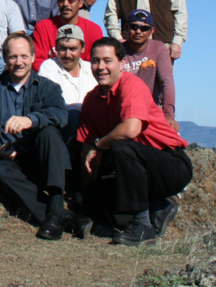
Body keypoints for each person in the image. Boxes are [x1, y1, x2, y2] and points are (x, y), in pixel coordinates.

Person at [0, 33, 91, 241]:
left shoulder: (47, 87)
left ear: (33, 56)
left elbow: (60, 114)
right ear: (4, 57)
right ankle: (62, 216)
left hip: (41, 159)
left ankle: (56, 202)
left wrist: (32, 120)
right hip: (9, 158)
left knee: (49, 132)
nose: (18, 62)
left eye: (24, 56)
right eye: (12, 57)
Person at [78, 38, 193, 246]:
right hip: (136, 172)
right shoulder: (91, 100)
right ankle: (158, 207)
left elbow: (130, 130)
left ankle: (142, 226)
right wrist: (89, 193)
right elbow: (86, 146)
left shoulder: (131, 84)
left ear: (122, 64)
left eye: (107, 60)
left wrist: (100, 144)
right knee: (83, 200)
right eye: (95, 61)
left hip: (170, 164)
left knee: (122, 146)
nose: (101, 67)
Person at [36, 24, 97, 145]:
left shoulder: (91, 69)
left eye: (73, 49)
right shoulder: (49, 67)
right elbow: (50, 105)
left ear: (83, 48)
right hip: (63, 128)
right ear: (56, 49)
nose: (67, 55)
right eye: (63, 49)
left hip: (91, 126)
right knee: (74, 116)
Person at [121, 10, 178, 132]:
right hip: (121, 110)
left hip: (149, 111)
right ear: (126, 28)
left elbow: (167, 81)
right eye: (134, 27)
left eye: (144, 28)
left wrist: (168, 116)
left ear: (152, 31)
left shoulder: (158, 48)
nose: (138, 31)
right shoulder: (117, 50)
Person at [32, 0, 104, 71]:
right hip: (49, 80)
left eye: (71, 0)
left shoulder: (94, 30)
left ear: (80, 3)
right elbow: (37, 62)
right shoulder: (43, 27)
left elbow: (95, 63)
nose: (66, 4)